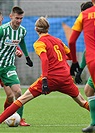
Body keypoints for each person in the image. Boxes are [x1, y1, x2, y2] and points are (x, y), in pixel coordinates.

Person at [0, 16, 89, 131]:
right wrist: (61, 60)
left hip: (50, 78)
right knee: (82, 102)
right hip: (66, 78)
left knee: (21, 99)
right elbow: (70, 56)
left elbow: (45, 60)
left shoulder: (39, 43)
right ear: (48, 28)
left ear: (36, 30)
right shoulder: (58, 41)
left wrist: (45, 79)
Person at [0, 6, 33, 128]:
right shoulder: (2, 30)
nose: (19, 21)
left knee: (18, 92)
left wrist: (27, 56)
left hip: (9, 66)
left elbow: (22, 42)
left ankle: (20, 119)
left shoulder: (22, 31)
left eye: (21, 18)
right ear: (11, 17)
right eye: (17, 18)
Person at [68, 0, 95, 132]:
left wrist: (75, 63)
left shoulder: (85, 15)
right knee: (89, 90)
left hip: (93, 60)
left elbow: (72, 41)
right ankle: (93, 124)